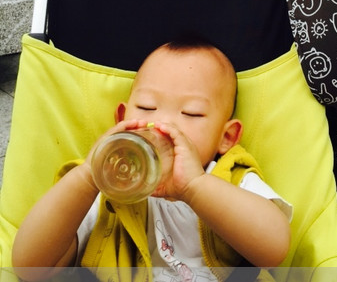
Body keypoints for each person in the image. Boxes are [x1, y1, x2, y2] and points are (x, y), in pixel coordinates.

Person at [12, 40, 292, 281]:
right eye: (146, 108)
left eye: (191, 113)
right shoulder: (101, 187)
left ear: (226, 137)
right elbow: (30, 267)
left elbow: (275, 250)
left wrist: (195, 186)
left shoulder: (230, 179)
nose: (161, 123)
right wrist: (88, 176)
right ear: (121, 118)